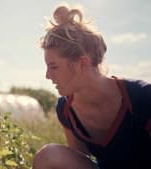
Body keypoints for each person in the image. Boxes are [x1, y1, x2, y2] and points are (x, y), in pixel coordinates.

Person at [33, 5, 151, 169]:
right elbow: (81, 161)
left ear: (82, 64)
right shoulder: (66, 109)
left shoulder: (142, 96)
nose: (47, 75)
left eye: (53, 67)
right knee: (47, 156)